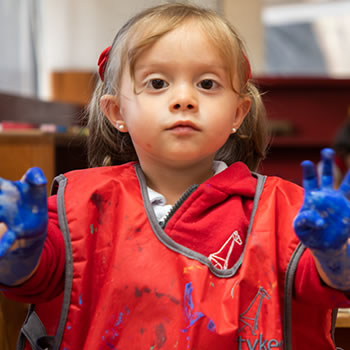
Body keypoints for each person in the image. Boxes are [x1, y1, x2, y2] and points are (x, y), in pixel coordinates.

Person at [0, 3, 349, 350]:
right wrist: (19, 251)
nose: (184, 99)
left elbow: (329, 283)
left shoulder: (281, 212)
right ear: (117, 111)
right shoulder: (79, 207)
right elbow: (31, 281)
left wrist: (336, 255)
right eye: (157, 83)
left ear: (237, 113)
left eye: (207, 83)